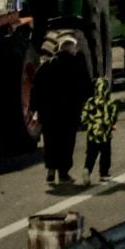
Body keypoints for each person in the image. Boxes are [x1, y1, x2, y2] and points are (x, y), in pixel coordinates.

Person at [33, 38, 92, 184]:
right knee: (67, 142)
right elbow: (86, 86)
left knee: (51, 141)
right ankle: (63, 173)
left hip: (49, 113)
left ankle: (51, 170)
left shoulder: (47, 65)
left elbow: (36, 87)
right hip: (69, 112)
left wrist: (34, 108)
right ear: (70, 49)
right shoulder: (76, 65)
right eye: (75, 48)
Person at [80, 77, 118, 183]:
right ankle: (104, 173)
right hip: (105, 133)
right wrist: (110, 125)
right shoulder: (110, 103)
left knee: (91, 153)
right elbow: (113, 117)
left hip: (92, 133)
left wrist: (89, 125)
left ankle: (87, 169)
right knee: (105, 153)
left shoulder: (90, 101)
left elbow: (83, 118)